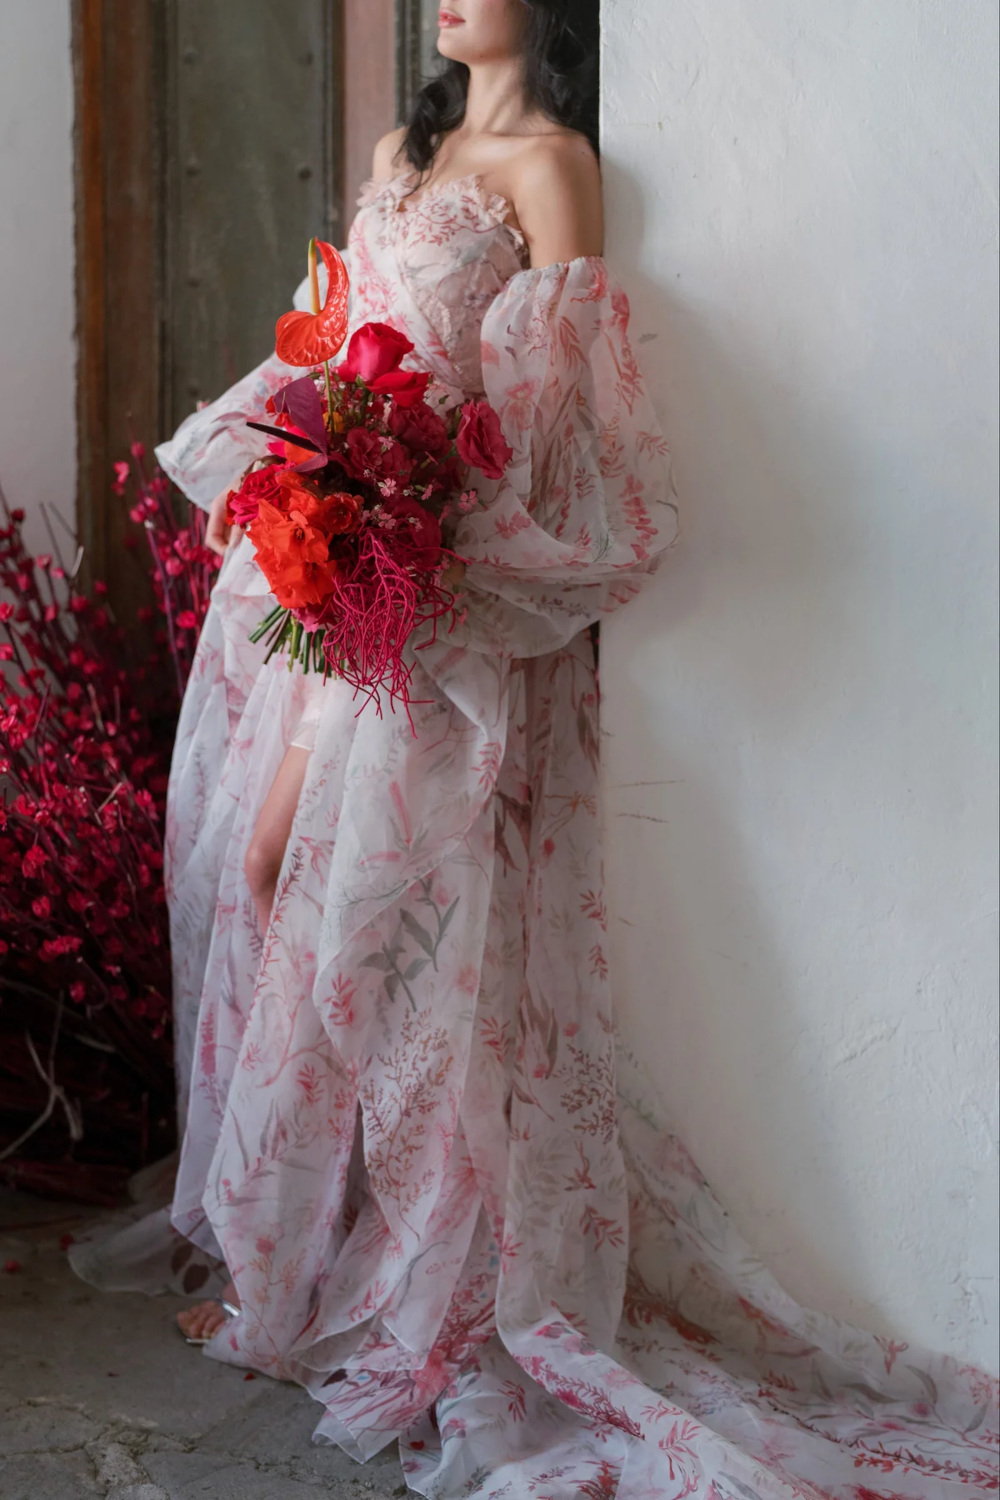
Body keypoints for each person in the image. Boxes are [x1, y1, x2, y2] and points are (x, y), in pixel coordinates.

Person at [72, 3, 997, 1496]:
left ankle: (400, 1290)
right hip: (329, 571)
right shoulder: (404, 145)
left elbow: (558, 423)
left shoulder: (558, 168)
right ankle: (289, 1262)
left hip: (435, 598)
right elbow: (341, 345)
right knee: (264, 877)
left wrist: (422, 528)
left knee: (394, 938)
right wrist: (314, 485)